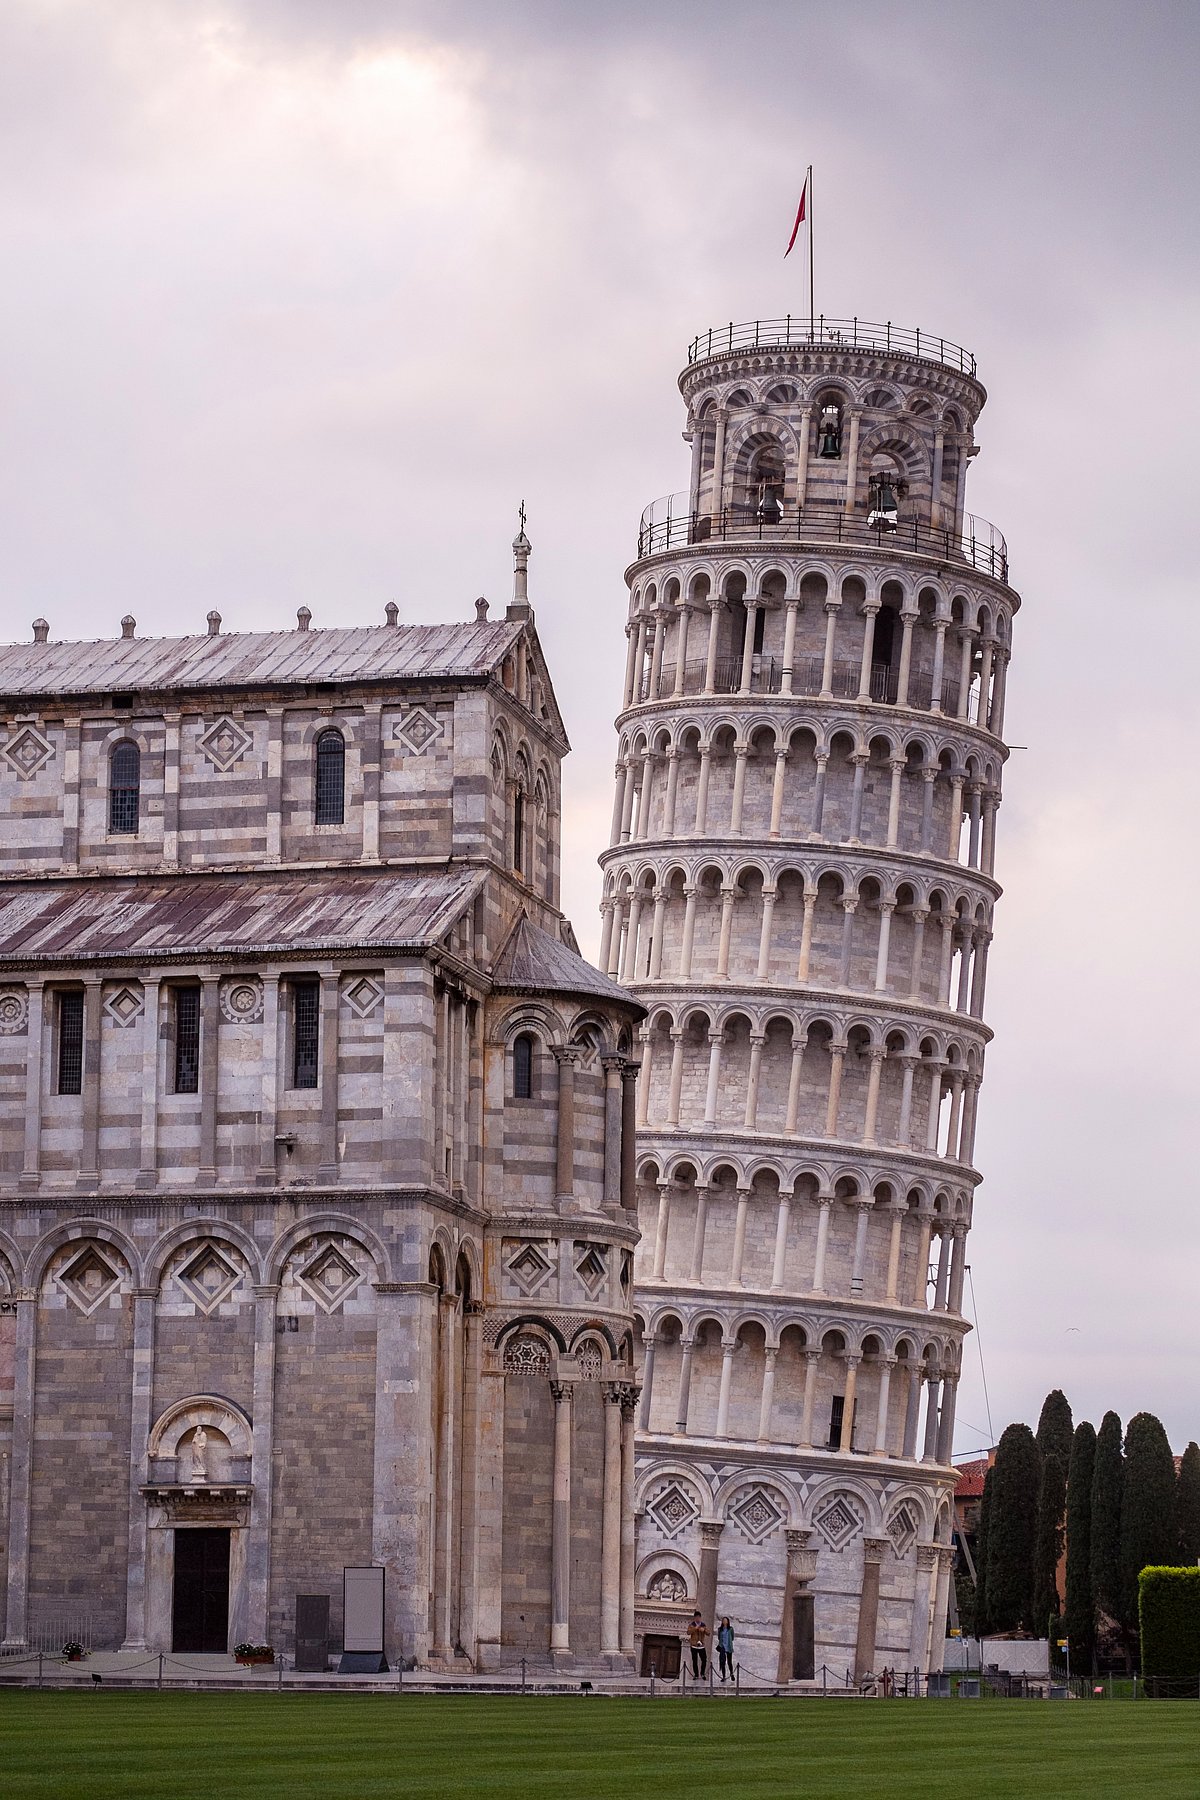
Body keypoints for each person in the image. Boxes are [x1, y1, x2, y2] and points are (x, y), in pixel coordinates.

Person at [686, 1610, 708, 1679]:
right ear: (695, 1618)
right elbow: (688, 1632)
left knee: (704, 1659)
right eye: (696, 1617)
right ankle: (696, 1674)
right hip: (694, 1645)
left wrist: (704, 1630)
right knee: (694, 1660)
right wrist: (695, 1629)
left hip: (701, 1645)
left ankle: (702, 1673)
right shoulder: (692, 1625)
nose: (698, 1619)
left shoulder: (703, 1625)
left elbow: (708, 1633)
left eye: (699, 1617)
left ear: (700, 1618)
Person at [716, 1617, 735, 1682]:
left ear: (727, 1622)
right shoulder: (720, 1629)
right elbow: (719, 1637)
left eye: (725, 1620)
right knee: (722, 1662)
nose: (724, 1621)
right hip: (722, 1647)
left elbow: (732, 1637)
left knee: (729, 1662)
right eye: (723, 1620)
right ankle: (723, 1676)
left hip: (729, 1647)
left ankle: (731, 1674)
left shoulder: (730, 1629)